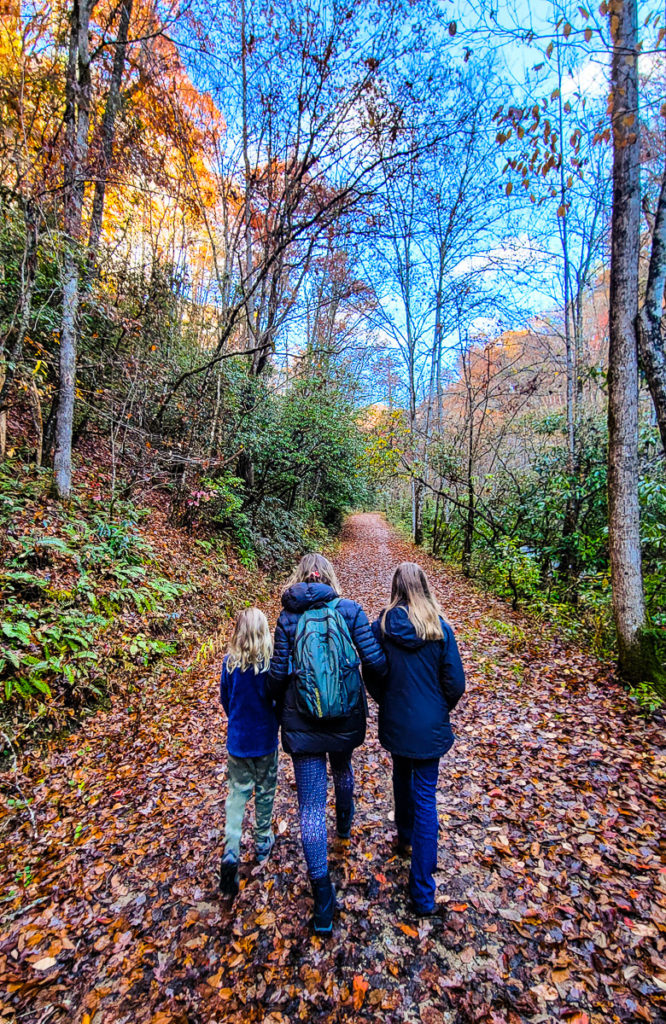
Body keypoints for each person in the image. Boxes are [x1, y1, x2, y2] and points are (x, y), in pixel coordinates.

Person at [268, 553, 387, 935]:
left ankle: (322, 899)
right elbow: (376, 663)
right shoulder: (351, 611)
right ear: (330, 577)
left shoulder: (287, 617)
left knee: (310, 807)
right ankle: (345, 822)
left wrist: (275, 703)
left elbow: (275, 675)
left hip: (301, 720)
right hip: (345, 714)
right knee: (342, 768)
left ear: (299, 578)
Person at [370, 562, 465, 917]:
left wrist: (388, 700)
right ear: (424, 587)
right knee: (426, 796)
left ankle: (405, 836)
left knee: (400, 774)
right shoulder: (440, 628)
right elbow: (455, 683)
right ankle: (423, 892)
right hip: (429, 726)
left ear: (396, 588)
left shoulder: (382, 627)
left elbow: (373, 671)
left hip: (397, 721)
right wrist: (439, 708)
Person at [219, 607, 279, 898]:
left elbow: (225, 699)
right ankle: (263, 841)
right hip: (265, 741)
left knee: (237, 793)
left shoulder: (230, 663)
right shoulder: (270, 665)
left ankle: (231, 849)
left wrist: (236, 720)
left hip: (238, 742)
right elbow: (278, 700)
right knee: (265, 790)